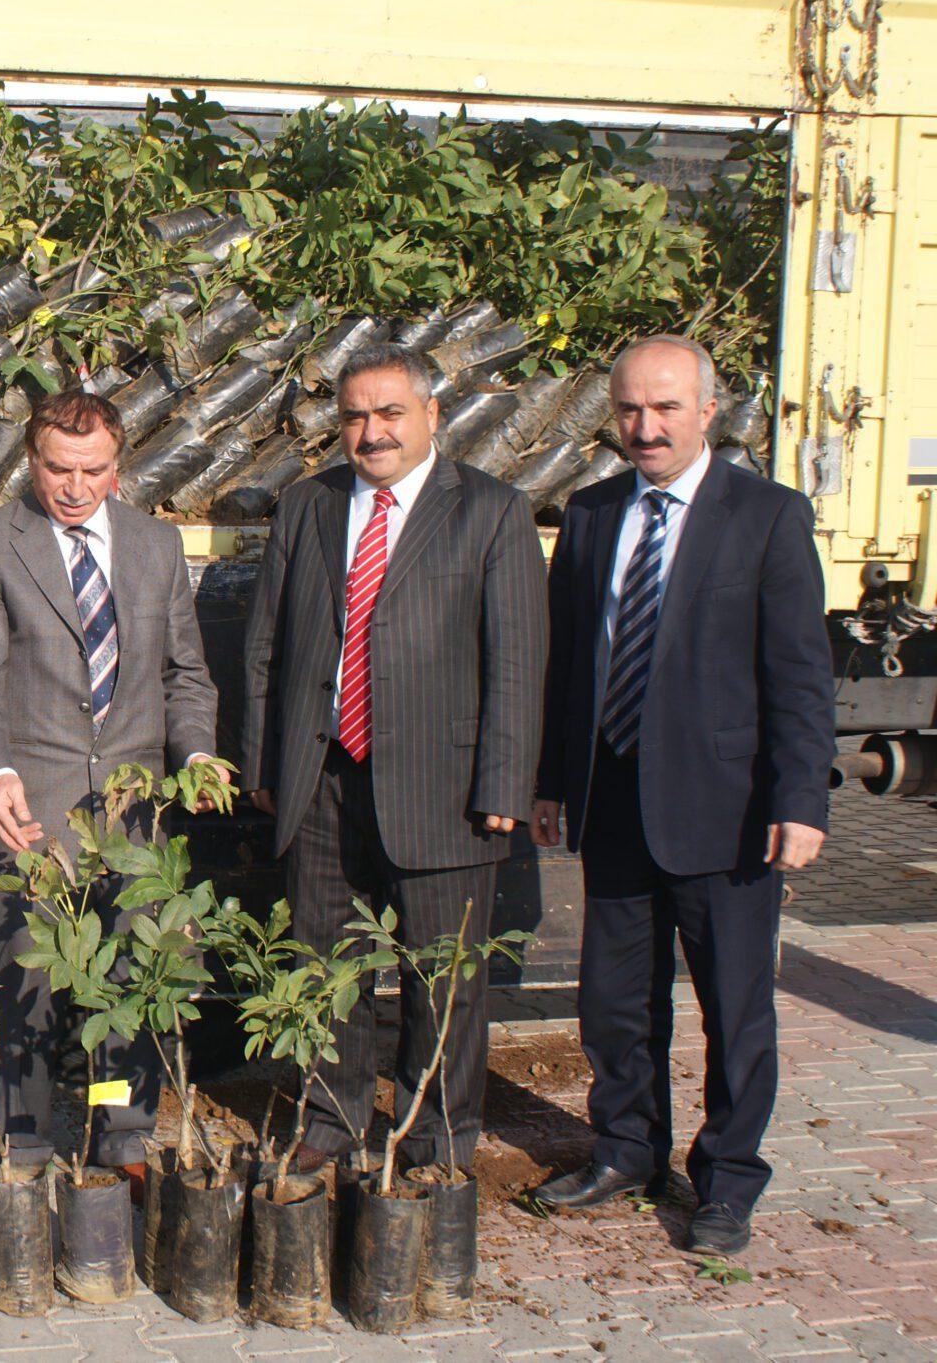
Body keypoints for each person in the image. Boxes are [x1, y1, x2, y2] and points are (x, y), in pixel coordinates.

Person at [529, 335, 834, 1256]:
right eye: (629, 409)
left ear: (709, 410)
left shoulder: (768, 517)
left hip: (731, 812)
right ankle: (627, 1148)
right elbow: (566, 664)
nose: (645, 427)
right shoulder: (587, 514)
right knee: (615, 1002)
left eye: (665, 408)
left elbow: (799, 674)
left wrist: (803, 800)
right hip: (614, 797)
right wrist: (550, 781)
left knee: (735, 1009)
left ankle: (728, 1182)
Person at [241, 343, 547, 1174]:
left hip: (444, 789)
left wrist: (504, 784)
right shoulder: (308, 506)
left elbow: (516, 661)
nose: (371, 433)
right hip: (323, 777)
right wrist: (265, 764)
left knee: (441, 977)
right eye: (353, 416)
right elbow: (267, 645)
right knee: (322, 963)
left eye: (389, 413)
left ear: (432, 415)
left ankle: (434, 1135)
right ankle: (331, 1120)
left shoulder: (491, 510)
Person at [0, 387, 224, 1179]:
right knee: (28, 989)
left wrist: (197, 753)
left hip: (133, 823)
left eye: (92, 469)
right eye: (57, 468)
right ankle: (27, 1145)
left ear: (118, 465)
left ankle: (119, 1135)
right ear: (31, 461)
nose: (74, 486)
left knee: (127, 989)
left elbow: (185, 674)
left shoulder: (156, 546)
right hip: (29, 811)